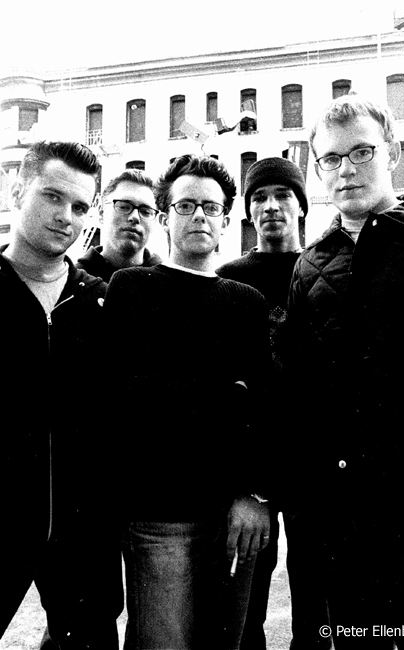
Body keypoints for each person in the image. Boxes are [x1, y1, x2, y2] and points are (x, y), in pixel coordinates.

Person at [103, 153, 272, 650]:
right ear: (164, 216)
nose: (199, 215)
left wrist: (255, 493)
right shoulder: (132, 288)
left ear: (226, 222)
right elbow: (125, 399)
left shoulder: (246, 301)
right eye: (186, 205)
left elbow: (263, 406)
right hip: (158, 515)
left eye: (211, 207)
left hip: (234, 517)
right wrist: (227, 396)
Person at [286, 93, 404, 649]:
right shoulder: (310, 264)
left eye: (361, 152)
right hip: (341, 516)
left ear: (391, 153)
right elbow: (300, 389)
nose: (346, 169)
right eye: (331, 158)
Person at [0, 141, 123, 649]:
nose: (65, 217)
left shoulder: (100, 302)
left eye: (79, 206)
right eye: (52, 196)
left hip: (82, 534)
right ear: (16, 192)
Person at [216, 157, 308, 649]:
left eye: (283, 195)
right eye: (259, 198)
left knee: (317, 595)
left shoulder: (323, 269)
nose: (271, 206)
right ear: (249, 211)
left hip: (313, 460)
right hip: (255, 463)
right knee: (246, 598)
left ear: (301, 205)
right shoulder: (230, 278)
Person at [77, 169, 162, 281]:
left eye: (145, 212)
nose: (135, 217)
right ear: (102, 214)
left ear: (155, 221)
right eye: (124, 207)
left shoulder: (168, 283)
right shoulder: (71, 281)